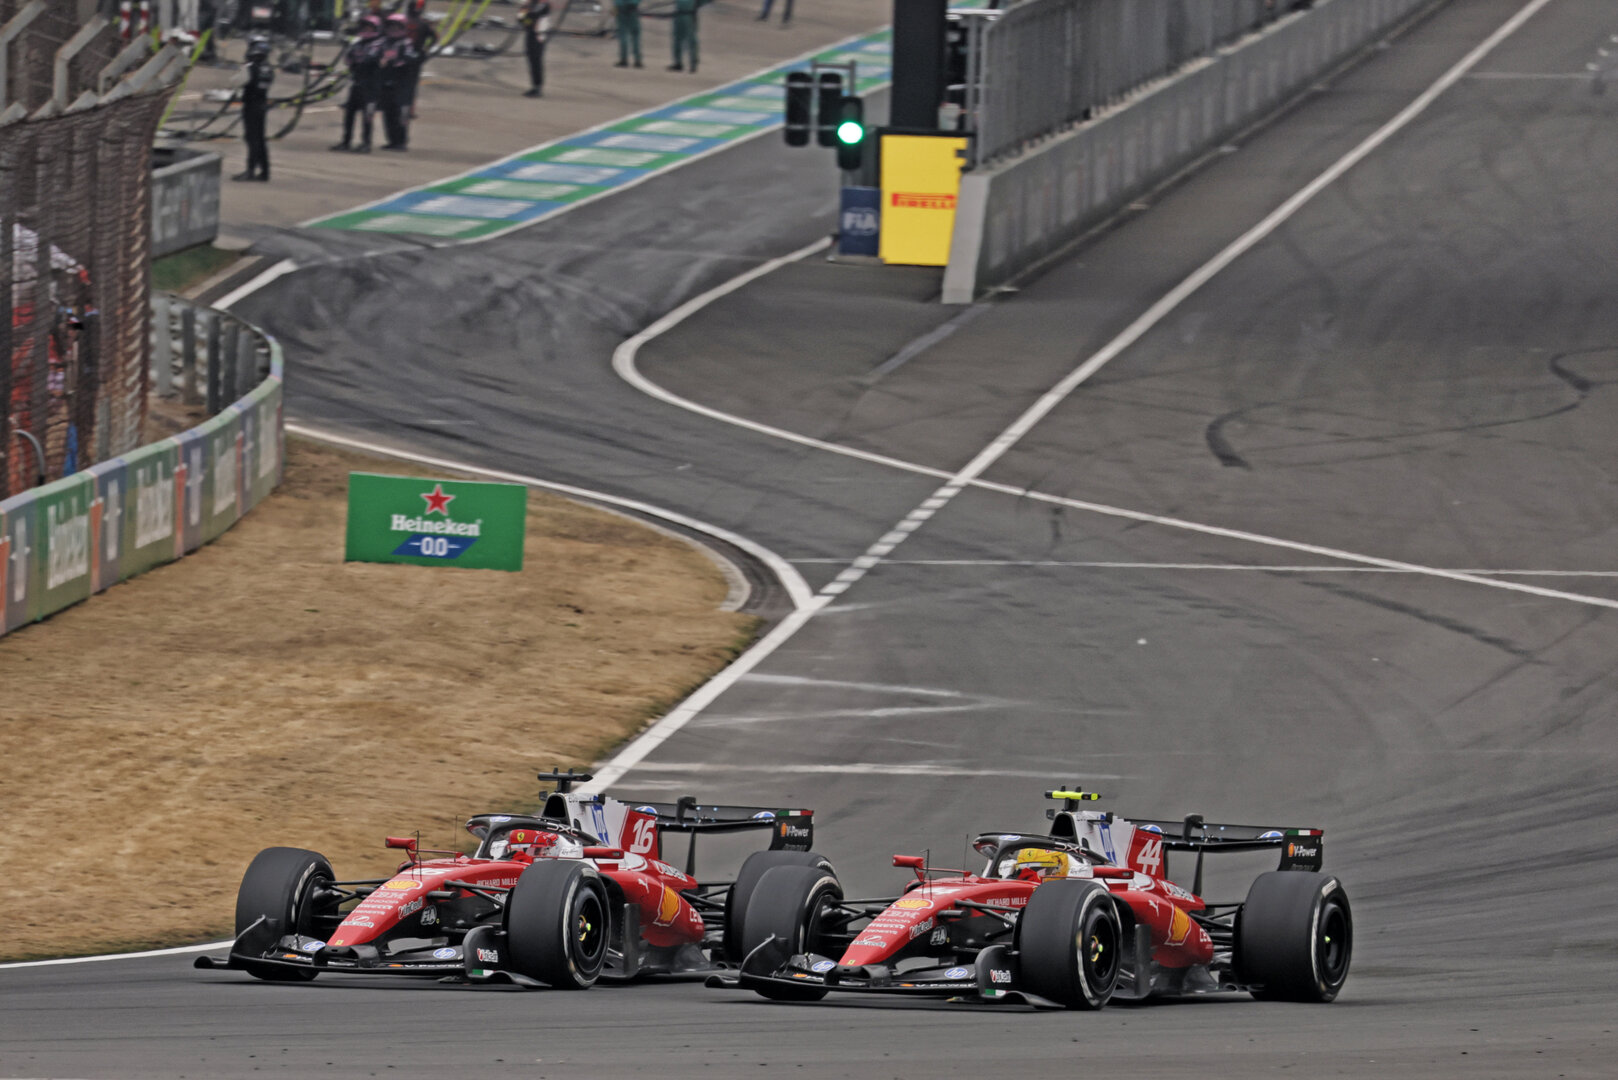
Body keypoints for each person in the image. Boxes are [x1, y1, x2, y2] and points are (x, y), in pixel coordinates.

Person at [331, 14, 383, 152]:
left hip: (371, 86)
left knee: (367, 116)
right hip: (357, 84)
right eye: (364, 27)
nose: (366, 30)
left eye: (369, 27)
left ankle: (366, 143)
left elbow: (369, 60)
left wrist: (357, 62)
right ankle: (346, 141)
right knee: (349, 114)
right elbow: (348, 60)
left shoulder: (378, 44)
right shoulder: (358, 44)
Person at [233, 36, 274, 181]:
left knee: (252, 139)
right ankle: (265, 171)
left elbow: (236, 81)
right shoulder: (268, 68)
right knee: (260, 139)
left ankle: (250, 170)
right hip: (262, 105)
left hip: (251, 106)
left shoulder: (251, 67)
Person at [377, 12, 420, 149]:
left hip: (402, 85)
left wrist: (392, 62)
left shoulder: (406, 44)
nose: (393, 29)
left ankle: (401, 142)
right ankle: (391, 140)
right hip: (386, 83)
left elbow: (410, 60)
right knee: (387, 113)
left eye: (396, 27)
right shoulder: (383, 43)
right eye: (391, 26)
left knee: (401, 114)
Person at [403, 0, 437, 120]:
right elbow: (434, 38)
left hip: (401, 57)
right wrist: (425, 49)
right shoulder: (424, 24)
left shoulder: (402, 21)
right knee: (411, 86)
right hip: (416, 58)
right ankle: (409, 109)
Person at [519, 0, 552, 98]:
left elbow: (532, 16)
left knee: (536, 60)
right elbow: (520, 18)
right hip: (530, 34)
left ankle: (538, 87)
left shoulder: (543, 5)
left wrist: (526, 16)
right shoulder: (530, 4)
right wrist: (526, 17)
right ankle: (534, 86)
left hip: (539, 36)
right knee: (531, 60)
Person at [669, 0, 708, 73]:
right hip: (679, 14)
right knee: (677, 39)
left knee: (691, 41)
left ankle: (693, 64)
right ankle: (678, 63)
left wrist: (696, 5)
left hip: (689, 15)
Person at [613, 0, 642, 69]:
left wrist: (616, 5)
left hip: (620, 6)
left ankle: (624, 59)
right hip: (633, 6)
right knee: (635, 34)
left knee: (623, 34)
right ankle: (637, 60)